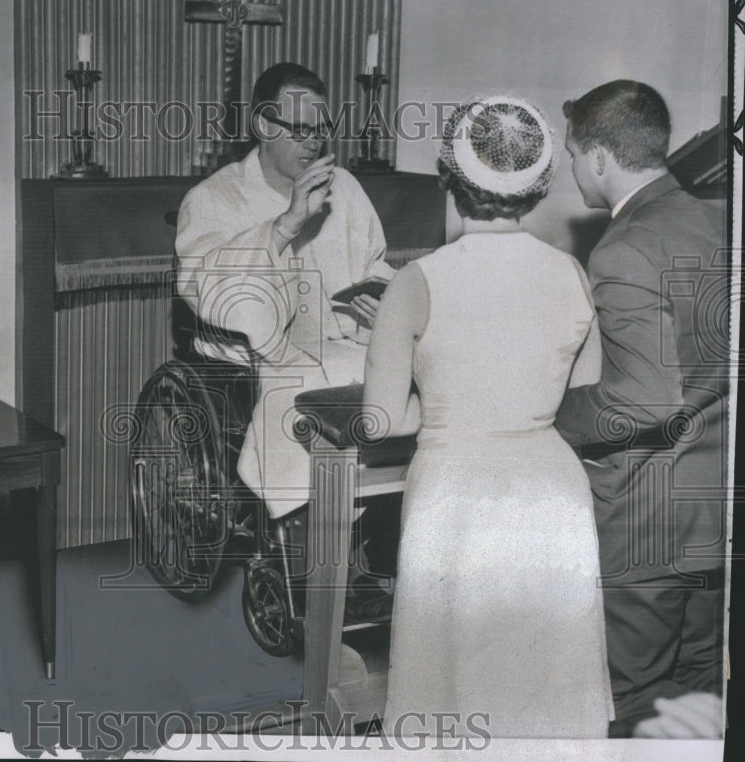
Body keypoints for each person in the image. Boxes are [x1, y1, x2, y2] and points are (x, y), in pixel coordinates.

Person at [366, 94, 613, 737]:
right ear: (537, 187)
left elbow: (382, 418)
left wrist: (442, 400)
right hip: (550, 488)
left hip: (457, 493)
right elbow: (580, 392)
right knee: (544, 690)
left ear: (448, 178)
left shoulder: (414, 281)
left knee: (454, 687)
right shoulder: (573, 274)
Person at [555, 80, 728, 738]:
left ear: (599, 157)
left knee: (631, 707)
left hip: (647, 526)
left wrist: (556, 414)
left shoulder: (622, 248)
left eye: (573, 155)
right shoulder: (718, 220)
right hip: (712, 515)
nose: (573, 171)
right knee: (696, 710)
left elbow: (646, 399)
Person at [175, 62, 394, 521]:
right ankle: (305, 527)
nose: (313, 141)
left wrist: (381, 304)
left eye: (321, 128)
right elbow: (206, 287)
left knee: (401, 373)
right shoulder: (215, 197)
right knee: (303, 386)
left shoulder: (345, 189)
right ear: (263, 125)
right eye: (299, 129)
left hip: (343, 346)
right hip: (257, 359)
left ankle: (374, 511)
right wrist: (286, 224)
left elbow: (375, 262)